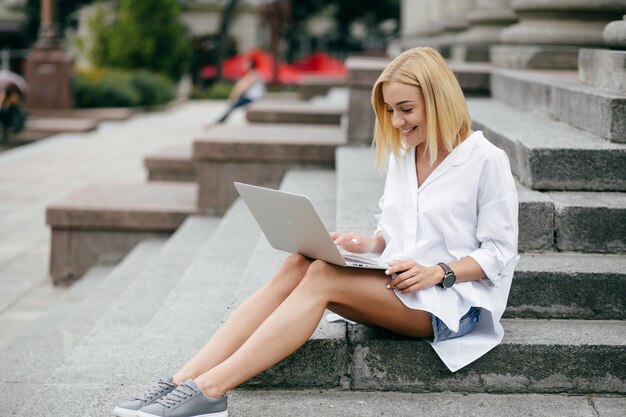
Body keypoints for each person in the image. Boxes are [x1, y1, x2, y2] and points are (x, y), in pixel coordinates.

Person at [114, 47, 519, 417]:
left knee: (321, 277)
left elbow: (500, 253)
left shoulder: (486, 160)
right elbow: (393, 228)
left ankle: (211, 391)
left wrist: (439, 272)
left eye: (405, 109)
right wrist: (368, 244)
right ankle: (181, 380)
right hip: (400, 284)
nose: (396, 122)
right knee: (300, 261)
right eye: (391, 111)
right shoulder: (405, 153)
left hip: (451, 306)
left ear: (438, 99)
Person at [213, 57, 266, 124]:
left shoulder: (254, 74)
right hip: (250, 97)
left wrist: (235, 95)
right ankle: (222, 119)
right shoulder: (251, 74)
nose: (244, 65)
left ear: (251, 64)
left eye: (246, 63)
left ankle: (222, 120)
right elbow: (240, 86)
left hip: (253, 97)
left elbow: (245, 86)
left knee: (233, 105)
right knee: (235, 105)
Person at [0, 80, 27, 144]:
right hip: (9, 115)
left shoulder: (16, 103)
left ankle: (12, 132)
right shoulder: (7, 101)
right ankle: (7, 135)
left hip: (14, 114)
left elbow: (20, 107)